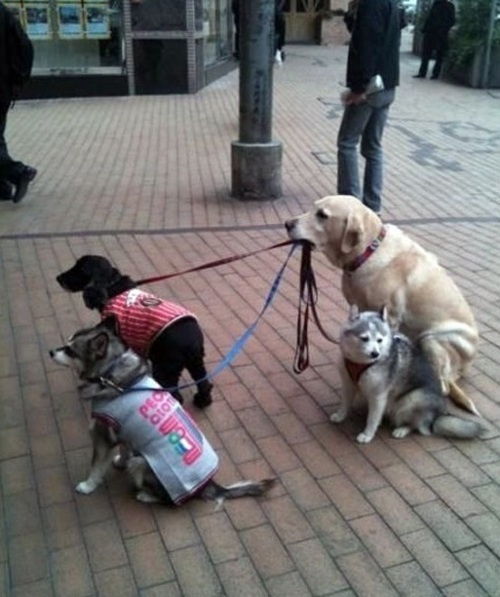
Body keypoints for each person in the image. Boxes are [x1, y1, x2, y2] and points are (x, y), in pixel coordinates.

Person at [336, 0, 402, 215]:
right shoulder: (392, 3)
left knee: (347, 142)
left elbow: (366, 45)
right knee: (372, 147)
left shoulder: (372, 3)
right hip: (388, 83)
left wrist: (359, 88)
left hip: (370, 87)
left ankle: (351, 206)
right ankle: (373, 206)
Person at [0, 1, 37, 203]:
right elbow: (24, 45)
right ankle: (2, 188)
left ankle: (18, 172)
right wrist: (17, 80)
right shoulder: (3, 11)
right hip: (4, 87)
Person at [413, 0, 456, 80]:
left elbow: (430, 18)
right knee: (438, 55)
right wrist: (445, 28)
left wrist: (424, 29)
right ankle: (434, 74)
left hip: (433, 32)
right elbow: (452, 20)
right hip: (439, 34)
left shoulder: (437, 4)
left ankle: (423, 73)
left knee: (427, 54)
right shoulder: (448, 5)